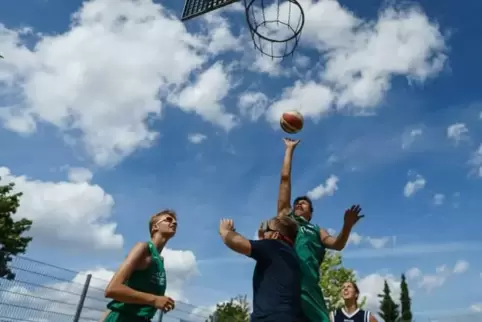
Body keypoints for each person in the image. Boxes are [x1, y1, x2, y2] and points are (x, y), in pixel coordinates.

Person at [277, 138, 364, 322]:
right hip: (285, 283)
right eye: (297, 203)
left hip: (309, 288)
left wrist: (347, 226)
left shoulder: (316, 229)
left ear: (311, 213)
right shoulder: (286, 218)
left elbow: (337, 244)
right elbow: (284, 180)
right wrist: (289, 149)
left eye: (304, 203)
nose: (299, 204)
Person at [218, 214, 304, 321]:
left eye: (267, 229)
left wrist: (225, 231)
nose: (264, 232)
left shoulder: (274, 246)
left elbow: (237, 243)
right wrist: (264, 238)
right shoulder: (292, 256)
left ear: (275, 235)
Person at [102, 209, 178, 322]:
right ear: (155, 227)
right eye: (168, 219)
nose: (174, 222)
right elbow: (112, 289)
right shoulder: (143, 248)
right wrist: (154, 300)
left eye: (175, 221)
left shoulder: (159, 261)